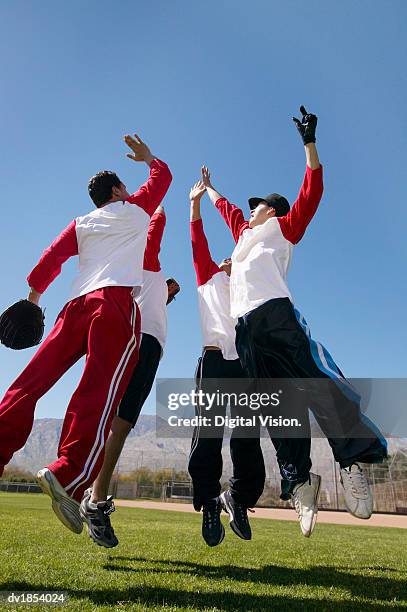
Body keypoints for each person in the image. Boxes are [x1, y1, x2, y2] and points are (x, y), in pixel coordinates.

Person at [201, 106, 387, 535]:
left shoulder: (283, 227)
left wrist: (309, 143)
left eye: (257, 206)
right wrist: (209, 190)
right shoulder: (244, 235)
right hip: (246, 330)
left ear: (272, 209)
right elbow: (227, 209)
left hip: (276, 316)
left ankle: (351, 460)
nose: (249, 212)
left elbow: (313, 189)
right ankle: (300, 481)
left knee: (317, 385)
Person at [0, 134, 172, 534]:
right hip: (112, 307)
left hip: (72, 308)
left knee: (28, 385)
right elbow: (163, 179)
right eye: (124, 189)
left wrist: (33, 299)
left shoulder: (82, 223)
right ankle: (68, 473)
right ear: (117, 191)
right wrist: (149, 159)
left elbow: (50, 258)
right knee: (97, 392)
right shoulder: (133, 211)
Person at [79, 204, 180, 548]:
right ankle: (91, 496)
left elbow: (151, 299)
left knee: (117, 425)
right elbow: (157, 224)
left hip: (141, 341)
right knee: (117, 425)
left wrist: (167, 294)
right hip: (142, 342)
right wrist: (159, 198)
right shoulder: (144, 259)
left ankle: (91, 493)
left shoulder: (140, 277)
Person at [188, 180, 266, 546]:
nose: (229, 260)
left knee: (248, 437)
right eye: (227, 259)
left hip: (245, 366)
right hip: (215, 362)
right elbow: (198, 241)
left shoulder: (248, 288)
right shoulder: (208, 277)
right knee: (208, 437)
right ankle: (208, 504)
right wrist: (196, 205)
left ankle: (238, 497)